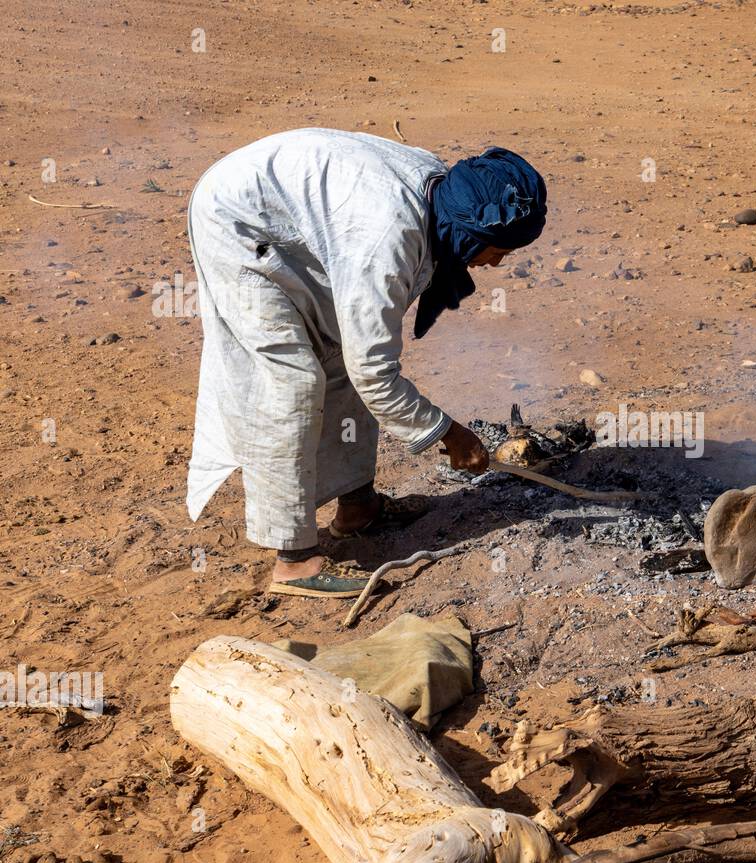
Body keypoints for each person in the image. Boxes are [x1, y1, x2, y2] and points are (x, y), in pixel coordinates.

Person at [184, 128, 547, 597]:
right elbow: (375, 374)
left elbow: (363, 359)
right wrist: (448, 432)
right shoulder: (387, 240)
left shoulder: (448, 194)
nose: (497, 265)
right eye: (497, 250)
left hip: (291, 215)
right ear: (466, 231)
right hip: (238, 222)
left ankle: (357, 508)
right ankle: (294, 562)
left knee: (342, 351)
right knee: (291, 381)